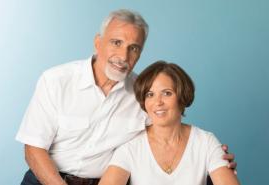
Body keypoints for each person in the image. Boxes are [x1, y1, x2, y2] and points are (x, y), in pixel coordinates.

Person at [16, 9, 236, 185]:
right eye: (116, 43)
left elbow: (168, 128)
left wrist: (212, 155)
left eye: (133, 48)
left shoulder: (143, 92)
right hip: (45, 179)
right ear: (98, 42)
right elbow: (33, 149)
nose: (123, 56)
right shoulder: (56, 80)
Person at [99, 61, 240, 185]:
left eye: (167, 93)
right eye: (150, 94)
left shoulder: (206, 142)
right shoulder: (130, 147)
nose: (158, 102)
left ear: (182, 96)